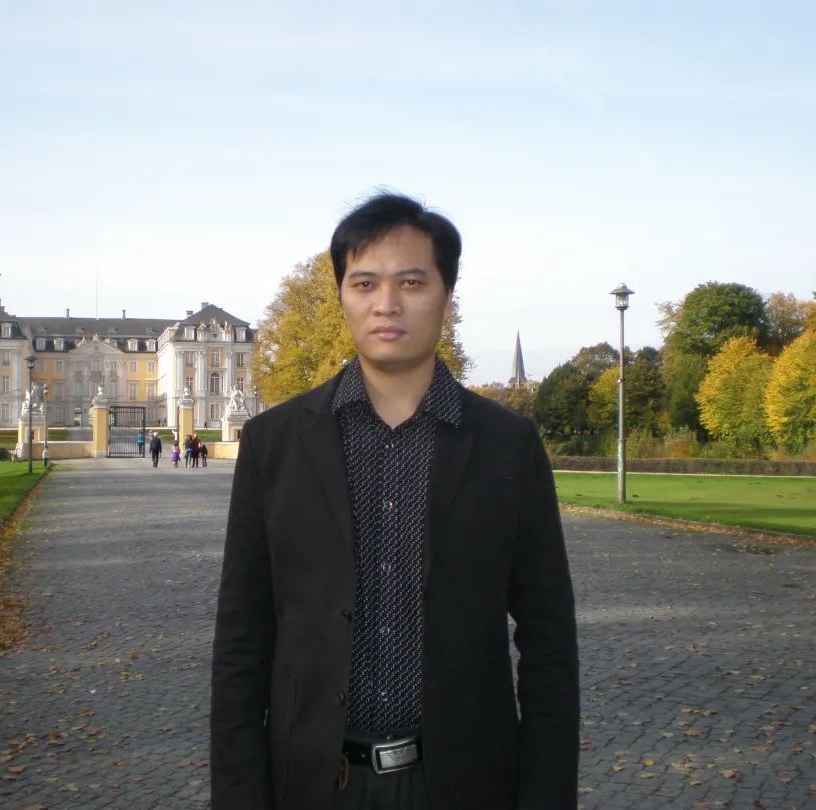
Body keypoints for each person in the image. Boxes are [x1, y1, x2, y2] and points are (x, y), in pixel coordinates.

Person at [211, 193, 579, 810]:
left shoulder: (507, 445)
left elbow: (549, 643)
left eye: (412, 281)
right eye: (365, 283)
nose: (387, 303)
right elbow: (241, 643)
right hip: (315, 784)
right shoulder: (274, 444)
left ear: (447, 298)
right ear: (342, 297)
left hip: (464, 784)